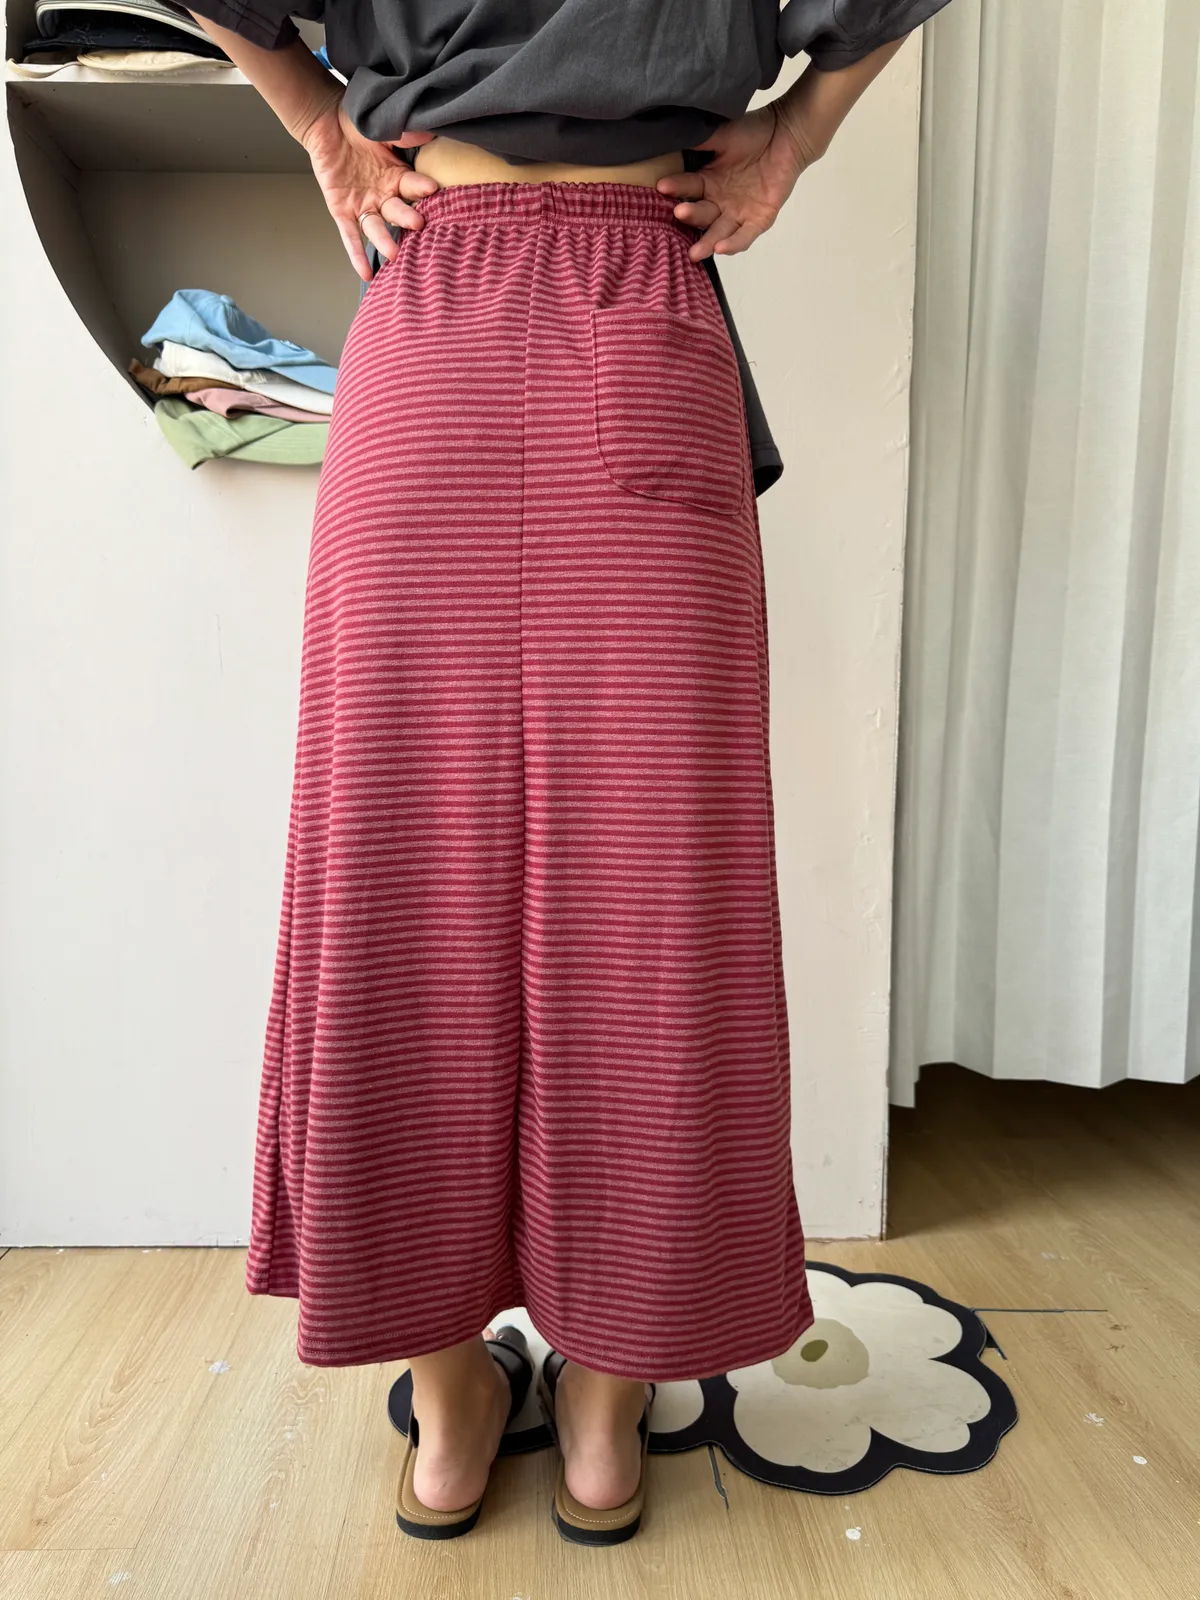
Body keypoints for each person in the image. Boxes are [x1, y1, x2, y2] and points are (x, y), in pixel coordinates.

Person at [183, 0, 954, 1547]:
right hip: (641, 304)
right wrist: (795, 134)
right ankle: (605, 1419)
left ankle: (450, 1413)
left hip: (432, 315)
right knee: (654, 891)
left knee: (399, 869)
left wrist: (321, 121)